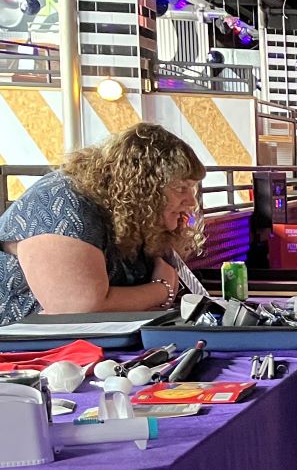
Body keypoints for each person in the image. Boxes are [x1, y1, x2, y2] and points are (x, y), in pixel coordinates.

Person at [0, 124, 204, 325]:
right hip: (23, 351)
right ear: (142, 186)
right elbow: (77, 309)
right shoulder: (62, 201)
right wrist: (162, 289)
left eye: (191, 188)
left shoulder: (134, 216)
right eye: (180, 188)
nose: (192, 201)